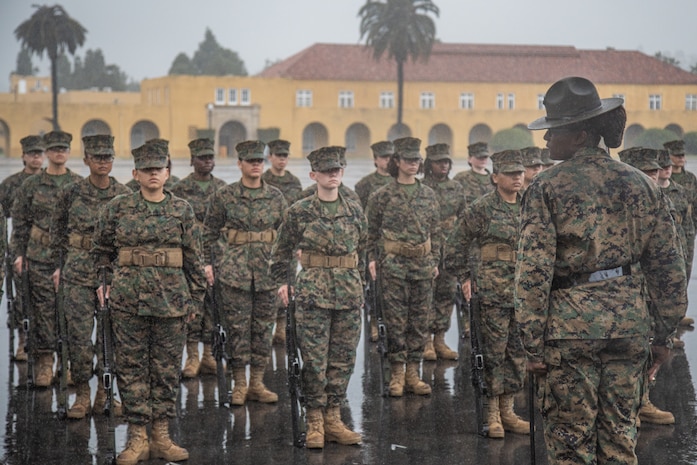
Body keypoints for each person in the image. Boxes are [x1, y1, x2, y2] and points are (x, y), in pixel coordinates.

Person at [515, 76, 687, 465]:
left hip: (569, 332)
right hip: (629, 326)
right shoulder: (645, 186)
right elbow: (668, 268)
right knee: (619, 441)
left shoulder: (546, 188)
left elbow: (532, 273)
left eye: (553, 131)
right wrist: (665, 333)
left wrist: (531, 343)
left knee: (571, 444)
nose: (545, 141)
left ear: (579, 135)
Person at [92, 139, 206, 464]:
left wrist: (195, 301)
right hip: (128, 302)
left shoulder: (182, 209)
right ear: (135, 174)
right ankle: (137, 438)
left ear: (168, 173)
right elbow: (101, 251)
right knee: (131, 369)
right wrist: (103, 284)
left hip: (172, 302)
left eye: (159, 169)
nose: (153, 174)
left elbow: (195, 259)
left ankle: (162, 436)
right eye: (147, 169)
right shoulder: (117, 208)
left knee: (166, 370)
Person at [270, 145, 366, 449]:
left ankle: (334, 419)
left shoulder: (354, 210)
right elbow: (280, 252)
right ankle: (314, 421)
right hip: (313, 294)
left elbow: (361, 250)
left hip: (348, 294)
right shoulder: (299, 211)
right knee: (314, 360)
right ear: (314, 175)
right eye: (326, 171)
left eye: (337, 170)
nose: (332, 176)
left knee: (342, 360)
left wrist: (358, 282)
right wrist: (282, 284)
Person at [445, 149, 529, 438]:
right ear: (495, 178)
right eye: (510, 174)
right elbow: (455, 244)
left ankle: (508, 411)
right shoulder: (482, 209)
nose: (517, 178)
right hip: (491, 292)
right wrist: (466, 278)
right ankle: (492, 414)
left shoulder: (529, 207)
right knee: (492, 354)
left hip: (522, 293)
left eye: (520, 173)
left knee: (516, 354)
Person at [50, 134, 131, 419]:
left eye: (107, 157)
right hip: (77, 273)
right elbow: (56, 230)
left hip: (111, 274)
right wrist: (59, 265)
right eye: (97, 157)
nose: (103, 162)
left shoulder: (123, 195)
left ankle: (106, 395)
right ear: (85, 160)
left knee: (110, 339)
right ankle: (82, 395)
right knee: (79, 339)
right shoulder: (71, 193)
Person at [203, 140, 287, 407]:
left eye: (259, 161)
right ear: (239, 164)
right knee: (237, 329)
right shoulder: (224, 197)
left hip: (267, 274)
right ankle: (239, 383)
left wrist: (285, 272)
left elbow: (285, 236)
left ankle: (257, 383)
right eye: (250, 161)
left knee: (263, 329)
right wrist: (209, 264)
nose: (256, 166)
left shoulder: (276, 197)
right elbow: (208, 233)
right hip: (234, 273)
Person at [365, 136, 441, 397]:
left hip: (422, 265)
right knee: (396, 321)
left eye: (417, 160)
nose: (413, 164)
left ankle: (413, 373)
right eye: (408, 160)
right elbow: (371, 231)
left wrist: (435, 260)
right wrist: (372, 260)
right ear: (396, 162)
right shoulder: (381, 195)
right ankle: (397, 373)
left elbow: (436, 231)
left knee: (419, 321)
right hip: (393, 265)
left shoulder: (428, 195)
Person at [618, 147, 685, 426]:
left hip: (653, 287)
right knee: (625, 352)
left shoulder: (661, 202)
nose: (651, 178)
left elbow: (672, 255)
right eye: (645, 173)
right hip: (624, 290)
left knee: (651, 347)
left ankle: (643, 401)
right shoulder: (615, 204)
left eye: (654, 173)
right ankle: (626, 408)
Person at [11, 130, 82, 387]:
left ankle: (69, 363)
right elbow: (20, 223)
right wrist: (18, 255)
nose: (59, 153)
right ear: (47, 153)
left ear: (69, 152)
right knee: (42, 312)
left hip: (71, 258)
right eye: (54, 149)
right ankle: (44, 362)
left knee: (71, 312)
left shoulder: (78, 185)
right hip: (38, 257)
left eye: (63, 148)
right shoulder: (31, 185)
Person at [172, 138, 228, 379]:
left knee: (214, 308)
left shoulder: (223, 189)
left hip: (218, 255)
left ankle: (209, 356)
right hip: (191, 256)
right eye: (203, 157)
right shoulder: (180, 190)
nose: (207, 161)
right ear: (192, 160)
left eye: (210, 157)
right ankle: (192, 357)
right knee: (193, 307)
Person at [0, 135, 45, 361]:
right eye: (32, 153)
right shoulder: (10, 185)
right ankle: (23, 340)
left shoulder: (49, 183)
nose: (36, 157)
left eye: (39, 153)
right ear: (23, 157)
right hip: (19, 248)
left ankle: (44, 346)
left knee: (46, 302)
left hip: (44, 252)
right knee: (22, 299)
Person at [421, 142, 465, 361]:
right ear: (430, 164)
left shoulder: (456, 188)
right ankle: (426, 341)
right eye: (439, 162)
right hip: (428, 249)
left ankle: (440, 338)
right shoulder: (422, 189)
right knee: (427, 295)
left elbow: (464, 219)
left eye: (447, 161)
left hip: (450, 250)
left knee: (446, 295)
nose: (444, 166)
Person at [261, 139, 303, 346]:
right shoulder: (263, 180)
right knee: (270, 285)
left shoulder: (295, 182)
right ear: (270, 158)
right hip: (268, 241)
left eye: (285, 156)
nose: (282, 160)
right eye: (278, 156)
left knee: (289, 283)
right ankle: (268, 329)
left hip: (289, 241)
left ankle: (281, 327)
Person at [354, 140, 395, 342]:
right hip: (374, 242)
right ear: (376, 160)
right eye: (384, 157)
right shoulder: (365, 184)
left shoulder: (399, 182)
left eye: (390, 157)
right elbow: (360, 216)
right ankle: (373, 322)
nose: (387, 161)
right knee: (373, 286)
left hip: (394, 244)